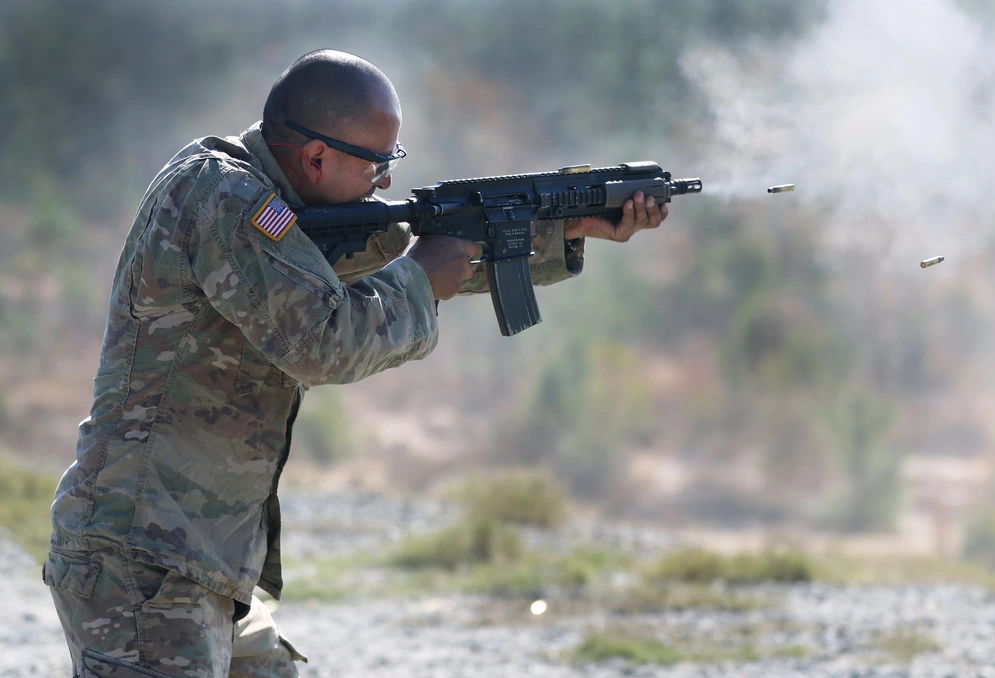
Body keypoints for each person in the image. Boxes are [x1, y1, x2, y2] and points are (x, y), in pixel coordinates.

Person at [44, 49, 669, 677]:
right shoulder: (225, 198)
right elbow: (324, 341)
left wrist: (567, 229)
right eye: (376, 163)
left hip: (195, 561)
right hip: (145, 562)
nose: (387, 181)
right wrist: (421, 279)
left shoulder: (281, 207)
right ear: (317, 157)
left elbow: (421, 252)